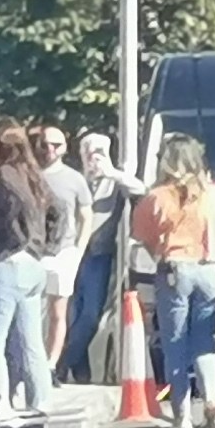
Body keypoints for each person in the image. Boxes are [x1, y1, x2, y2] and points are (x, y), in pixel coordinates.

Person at [131, 133, 215, 428]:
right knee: (203, 341)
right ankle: (212, 399)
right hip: (210, 270)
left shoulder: (157, 196)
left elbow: (142, 236)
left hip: (175, 270)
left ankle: (183, 417)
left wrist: (159, 250)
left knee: (174, 343)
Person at [0, 124, 58, 419]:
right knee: (30, 342)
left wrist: (3, 240)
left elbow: (11, 207)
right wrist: (43, 244)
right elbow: (57, 210)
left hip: (9, 263)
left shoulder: (5, 177)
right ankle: (40, 402)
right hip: (32, 265)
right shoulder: (32, 175)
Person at [63, 130, 138, 383]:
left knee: (91, 315)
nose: (94, 159)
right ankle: (79, 372)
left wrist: (113, 173)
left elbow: (142, 190)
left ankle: (61, 365)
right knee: (71, 315)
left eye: (100, 153)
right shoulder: (74, 179)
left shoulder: (114, 181)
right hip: (72, 253)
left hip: (98, 255)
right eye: (89, 153)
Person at [33, 126, 94, 378]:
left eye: (56, 145)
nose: (50, 150)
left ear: (65, 147)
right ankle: (32, 363)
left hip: (64, 252)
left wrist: (78, 249)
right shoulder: (31, 175)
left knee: (59, 312)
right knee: (33, 313)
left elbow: (85, 215)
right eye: (45, 144)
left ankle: (50, 365)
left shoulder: (75, 179)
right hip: (34, 252)